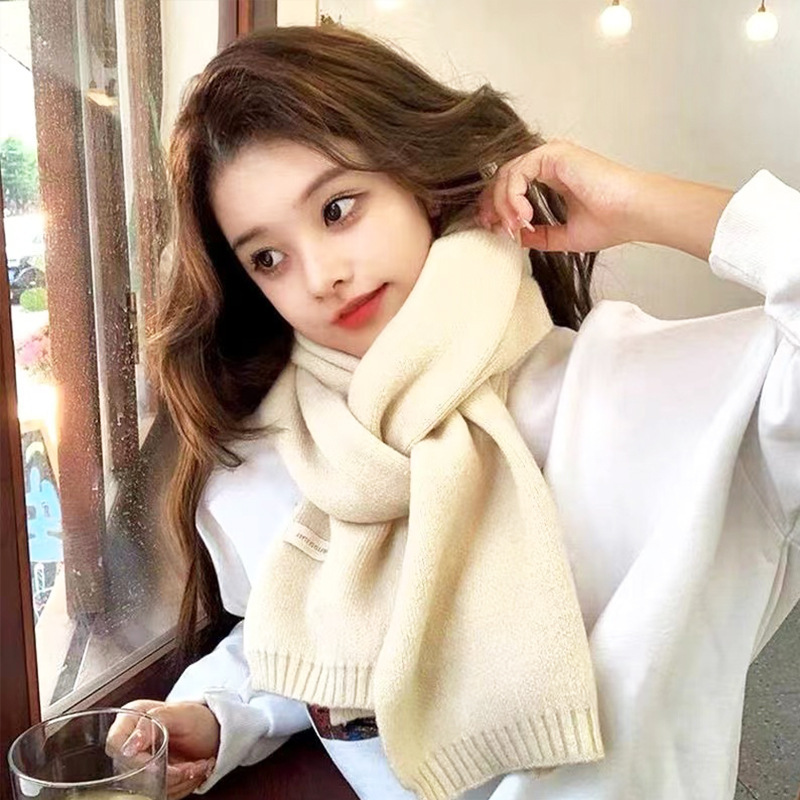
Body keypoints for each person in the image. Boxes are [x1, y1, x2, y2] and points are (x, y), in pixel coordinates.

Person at [109, 24, 799, 800]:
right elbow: (322, 636)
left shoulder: (630, 394)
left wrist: (645, 205)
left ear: (418, 180)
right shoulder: (274, 456)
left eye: (338, 208)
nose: (321, 275)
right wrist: (219, 714)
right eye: (268, 257)